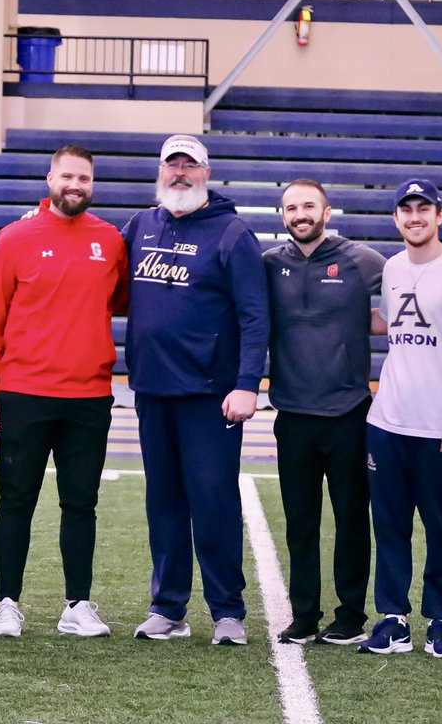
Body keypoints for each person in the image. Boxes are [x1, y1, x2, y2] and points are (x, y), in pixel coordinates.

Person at [123, 135, 269, 646]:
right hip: (152, 391)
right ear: (159, 171)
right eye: (172, 165)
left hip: (211, 396)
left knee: (213, 503)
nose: (180, 173)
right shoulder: (141, 225)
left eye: (190, 165)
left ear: (206, 173)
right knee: (163, 503)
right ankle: (168, 609)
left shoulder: (232, 233)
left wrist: (248, 383)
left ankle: (228, 611)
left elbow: (255, 315)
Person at [0, 144, 127, 638]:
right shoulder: (16, 237)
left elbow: (123, 299)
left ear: (92, 183)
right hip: (24, 391)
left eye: (84, 178)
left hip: (88, 396)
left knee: (80, 503)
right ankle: (6, 603)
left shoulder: (109, 240)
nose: (75, 185)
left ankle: (77, 604)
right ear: (50, 178)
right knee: (15, 499)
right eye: (67, 176)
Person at [360, 178, 442, 658]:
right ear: (396, 218)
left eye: (424, 209)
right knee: (390, 526)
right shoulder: (393, 267)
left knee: (441, 529)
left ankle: (440, 622)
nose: (415, 217)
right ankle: (393, 619)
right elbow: (391, 324)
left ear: (440, 215)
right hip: (388, 422)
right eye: (406, 210)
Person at [264, 179, 384, 646]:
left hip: (348, 413)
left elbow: (414, 276)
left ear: (327, 211)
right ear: (282, 215)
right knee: (300, 522)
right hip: (292, 415)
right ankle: (304, 614)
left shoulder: (360, 258)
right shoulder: (269, 264)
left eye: (308, 205)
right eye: (291, 207)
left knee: (352, 520)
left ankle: (350, 615)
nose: (300, 213)